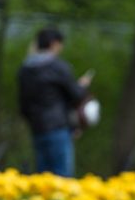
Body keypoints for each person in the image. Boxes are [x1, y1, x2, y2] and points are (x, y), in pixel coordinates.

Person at [18, 27, 93, 177]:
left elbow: (23, 104)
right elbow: (76, 94)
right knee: (62, 175)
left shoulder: (25, 69)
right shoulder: (57, 67)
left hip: (37, 128)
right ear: (54, 44)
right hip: (58, 127)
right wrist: (82, 85)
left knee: (43, 176)